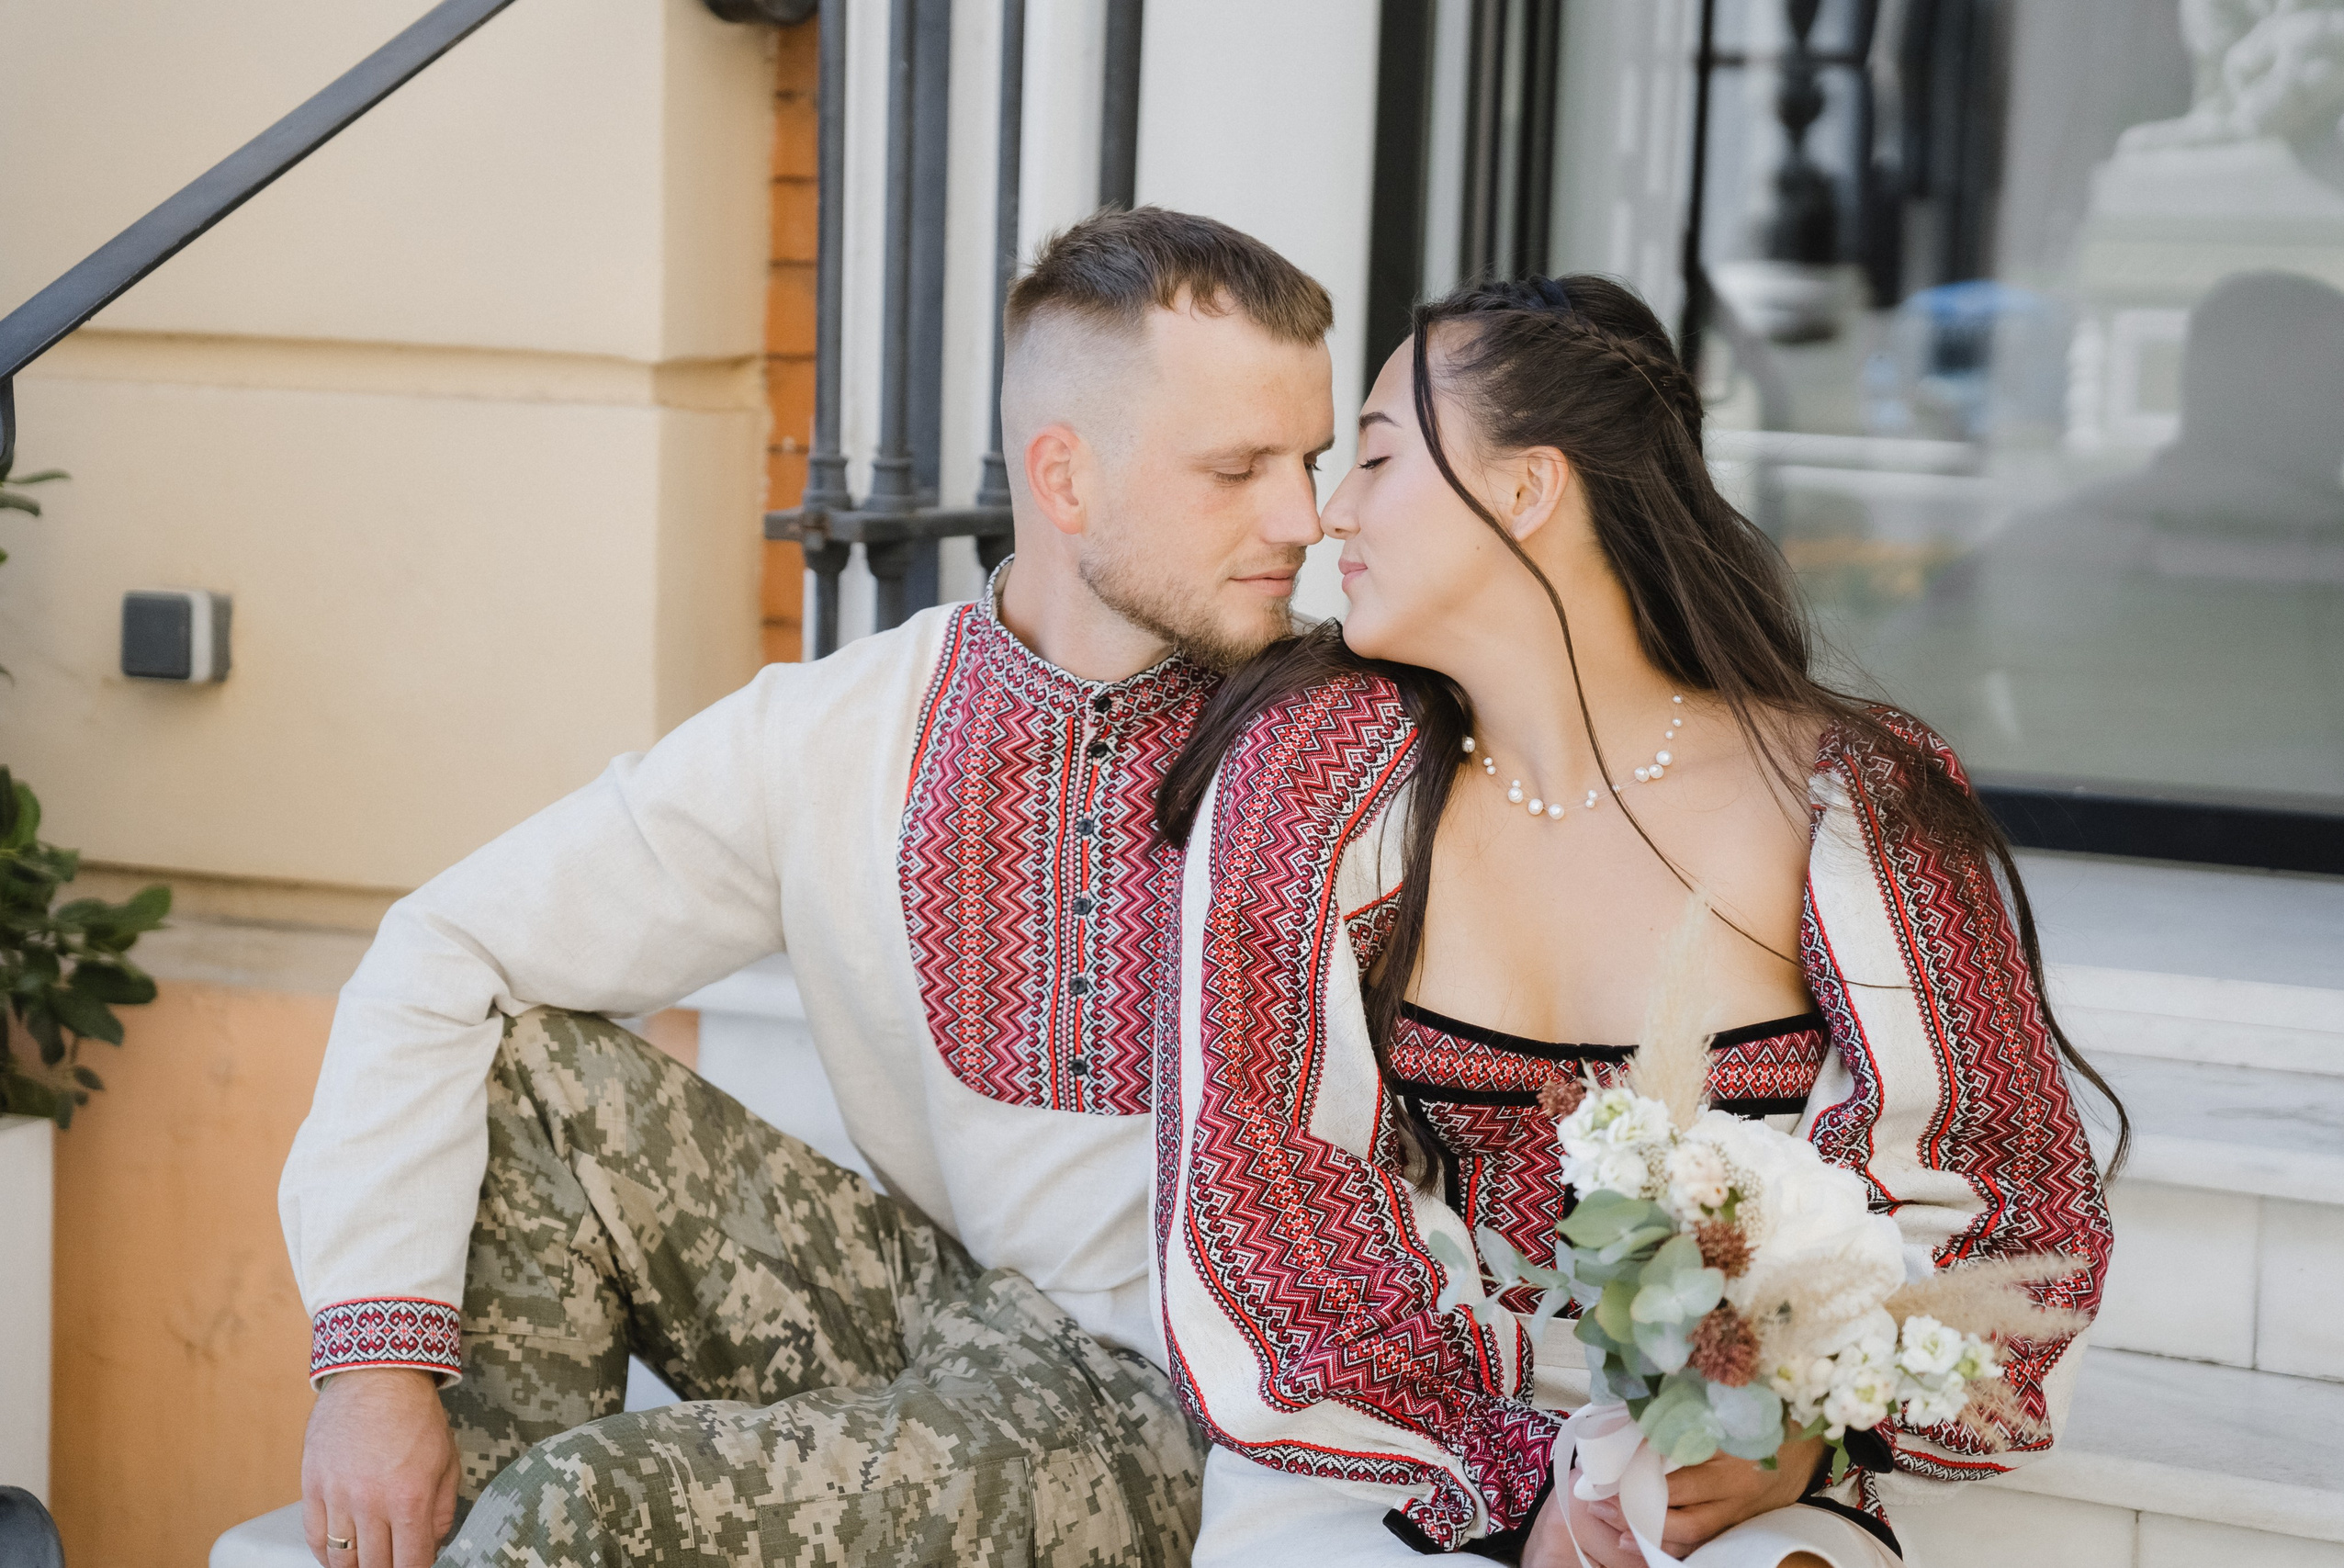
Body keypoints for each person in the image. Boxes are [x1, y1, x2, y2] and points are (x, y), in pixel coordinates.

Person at [278, 205, 1335, 1568]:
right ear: (1065, 479)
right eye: (1239, 469)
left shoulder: (1347, 743)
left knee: (580, 1509)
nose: (1304, 518)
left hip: (1179, 1411)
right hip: (948, 1316)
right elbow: (445, 947)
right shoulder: (839, 731)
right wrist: (372, 1365)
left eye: (1311, 462)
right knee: (523, 1067)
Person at [1153, 275, 2124, 1566]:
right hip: (1382, 1448)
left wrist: (1797, 1429)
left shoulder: (1851, 797)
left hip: (1732, 1453)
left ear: (1526, 489)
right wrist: (1533, 1491)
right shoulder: (1311, 775)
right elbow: (1259, 1201)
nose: (1333, 513)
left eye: (1377, 460)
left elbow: (2015, 1198)